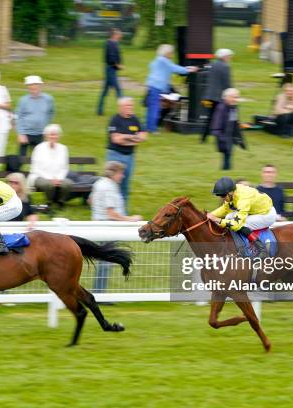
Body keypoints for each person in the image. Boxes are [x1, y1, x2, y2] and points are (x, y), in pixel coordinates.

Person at [90, 161, 142, 293]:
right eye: (121, 173)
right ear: (113, 173)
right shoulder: (109, 187)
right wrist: (130, 219)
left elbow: (90, 200)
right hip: (107, 228)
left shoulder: (99, 183)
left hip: (100, 226)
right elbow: (111, 213)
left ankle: (99, 292)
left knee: (105, 262)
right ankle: (99, 294)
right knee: (106, 263)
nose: (123, 176)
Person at [207, 177, 276, 258]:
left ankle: (262, 249)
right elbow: (225, 209)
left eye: (222, 195)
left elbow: (236, 224)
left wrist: (217, 220)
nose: (221, 198)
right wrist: (210, 215)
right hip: (257, 211)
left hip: (266, 215)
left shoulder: (243, 199)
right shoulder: (233, 193)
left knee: (241, 225)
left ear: (231, 192)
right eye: (219, 195)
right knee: (229, 217)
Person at [145, 44, 197, 133]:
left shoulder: (158, 60)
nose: (172, 54)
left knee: (151, 107)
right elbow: (174, 68)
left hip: (152, 85)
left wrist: (186, 68)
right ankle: (152, 129)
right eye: (171, 53)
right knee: (155, 108)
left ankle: (148, 127)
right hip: (156, 87)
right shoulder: (164, 61)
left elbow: (155, 67)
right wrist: (189, 70)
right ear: (167, 53)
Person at [106, 97, 147, 207]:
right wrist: (133, 138)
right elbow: (116, 139)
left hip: (129, 157)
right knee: (112, 184)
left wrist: (125, 138)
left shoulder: (135, 119)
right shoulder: (115, 120)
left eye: (131, 105)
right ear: (120, 107)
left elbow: (143, 136)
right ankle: (110, 210)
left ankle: (123, 212)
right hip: (115, 156)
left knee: (125, 185)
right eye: (128, 106)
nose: (131, 107)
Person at [28, 124, 73, 208]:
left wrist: (59, 178)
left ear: (59, 136)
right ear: (46, 136)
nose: (53, 137)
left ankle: (60, 202)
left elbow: (65, 168)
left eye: (56, 134)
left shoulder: (63, 148)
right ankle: (49, 202)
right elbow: (36, 169)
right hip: (39, 176)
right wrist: (50, 178)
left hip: (58, 178)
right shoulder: (39, 148)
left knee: (68, 184)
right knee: (49, 185)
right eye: (51, 134)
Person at [16, 75, 54, 157]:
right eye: (31, 89)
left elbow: (50, 113)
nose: (34, 91)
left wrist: (46, 129)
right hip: (26, 134)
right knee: (21, 158)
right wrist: (21, 134)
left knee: (40, 157)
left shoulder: (48, 99)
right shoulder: (23, 100)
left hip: (41, 134)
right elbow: (18, 117)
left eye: (36, 89)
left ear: (41, 87)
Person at [201, 48, 234, 143]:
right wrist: (232, 94)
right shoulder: (225, 67)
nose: (230, 58)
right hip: (220, 97)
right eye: (229, 56)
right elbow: (227, 84)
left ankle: (203, 138)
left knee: (210, 117)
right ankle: (219, 138)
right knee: (222, 118)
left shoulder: (212, 65)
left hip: (209, 96)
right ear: (224, 57)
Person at [210, 88, 246, 171]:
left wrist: (241, 140)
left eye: (237, 97)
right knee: (227, 156)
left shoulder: (233, 107)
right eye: (234, 97)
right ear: (227, 97)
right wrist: (222, 138)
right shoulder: (221, 108)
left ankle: (226, 171)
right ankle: (225, 173)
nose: (236, 99)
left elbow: (235, 122)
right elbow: (216, 124)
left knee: (228, 156)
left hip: (230, 136)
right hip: (223, 137)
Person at [97, 28, 123, 116]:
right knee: (118, 90)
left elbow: (116, 55)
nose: (120, 36)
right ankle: (123, 110)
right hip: (110, 69)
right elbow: (111, 57)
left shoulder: (113, 43)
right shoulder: (110, 44)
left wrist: (118, 64)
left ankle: (99, 110)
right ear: (114, 35)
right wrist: (118, 65)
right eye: (119, 34)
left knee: (105, 91)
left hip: (111, 69)